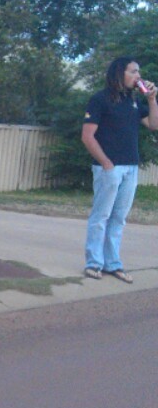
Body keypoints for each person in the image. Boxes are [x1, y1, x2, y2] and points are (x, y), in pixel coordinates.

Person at [81, 57, 158, 283]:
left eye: (139, 72)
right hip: (109, 168)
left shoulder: (133, 101)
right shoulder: (100, 99)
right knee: (101, 215)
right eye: (133, 71)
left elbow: (154, 125)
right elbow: (87, 136)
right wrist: (105, 162)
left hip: (130, 167)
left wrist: (152, 99)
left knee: (119, 218)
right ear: (119, 73)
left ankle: (112, 262)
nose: (138, 76)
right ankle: (94, 262)